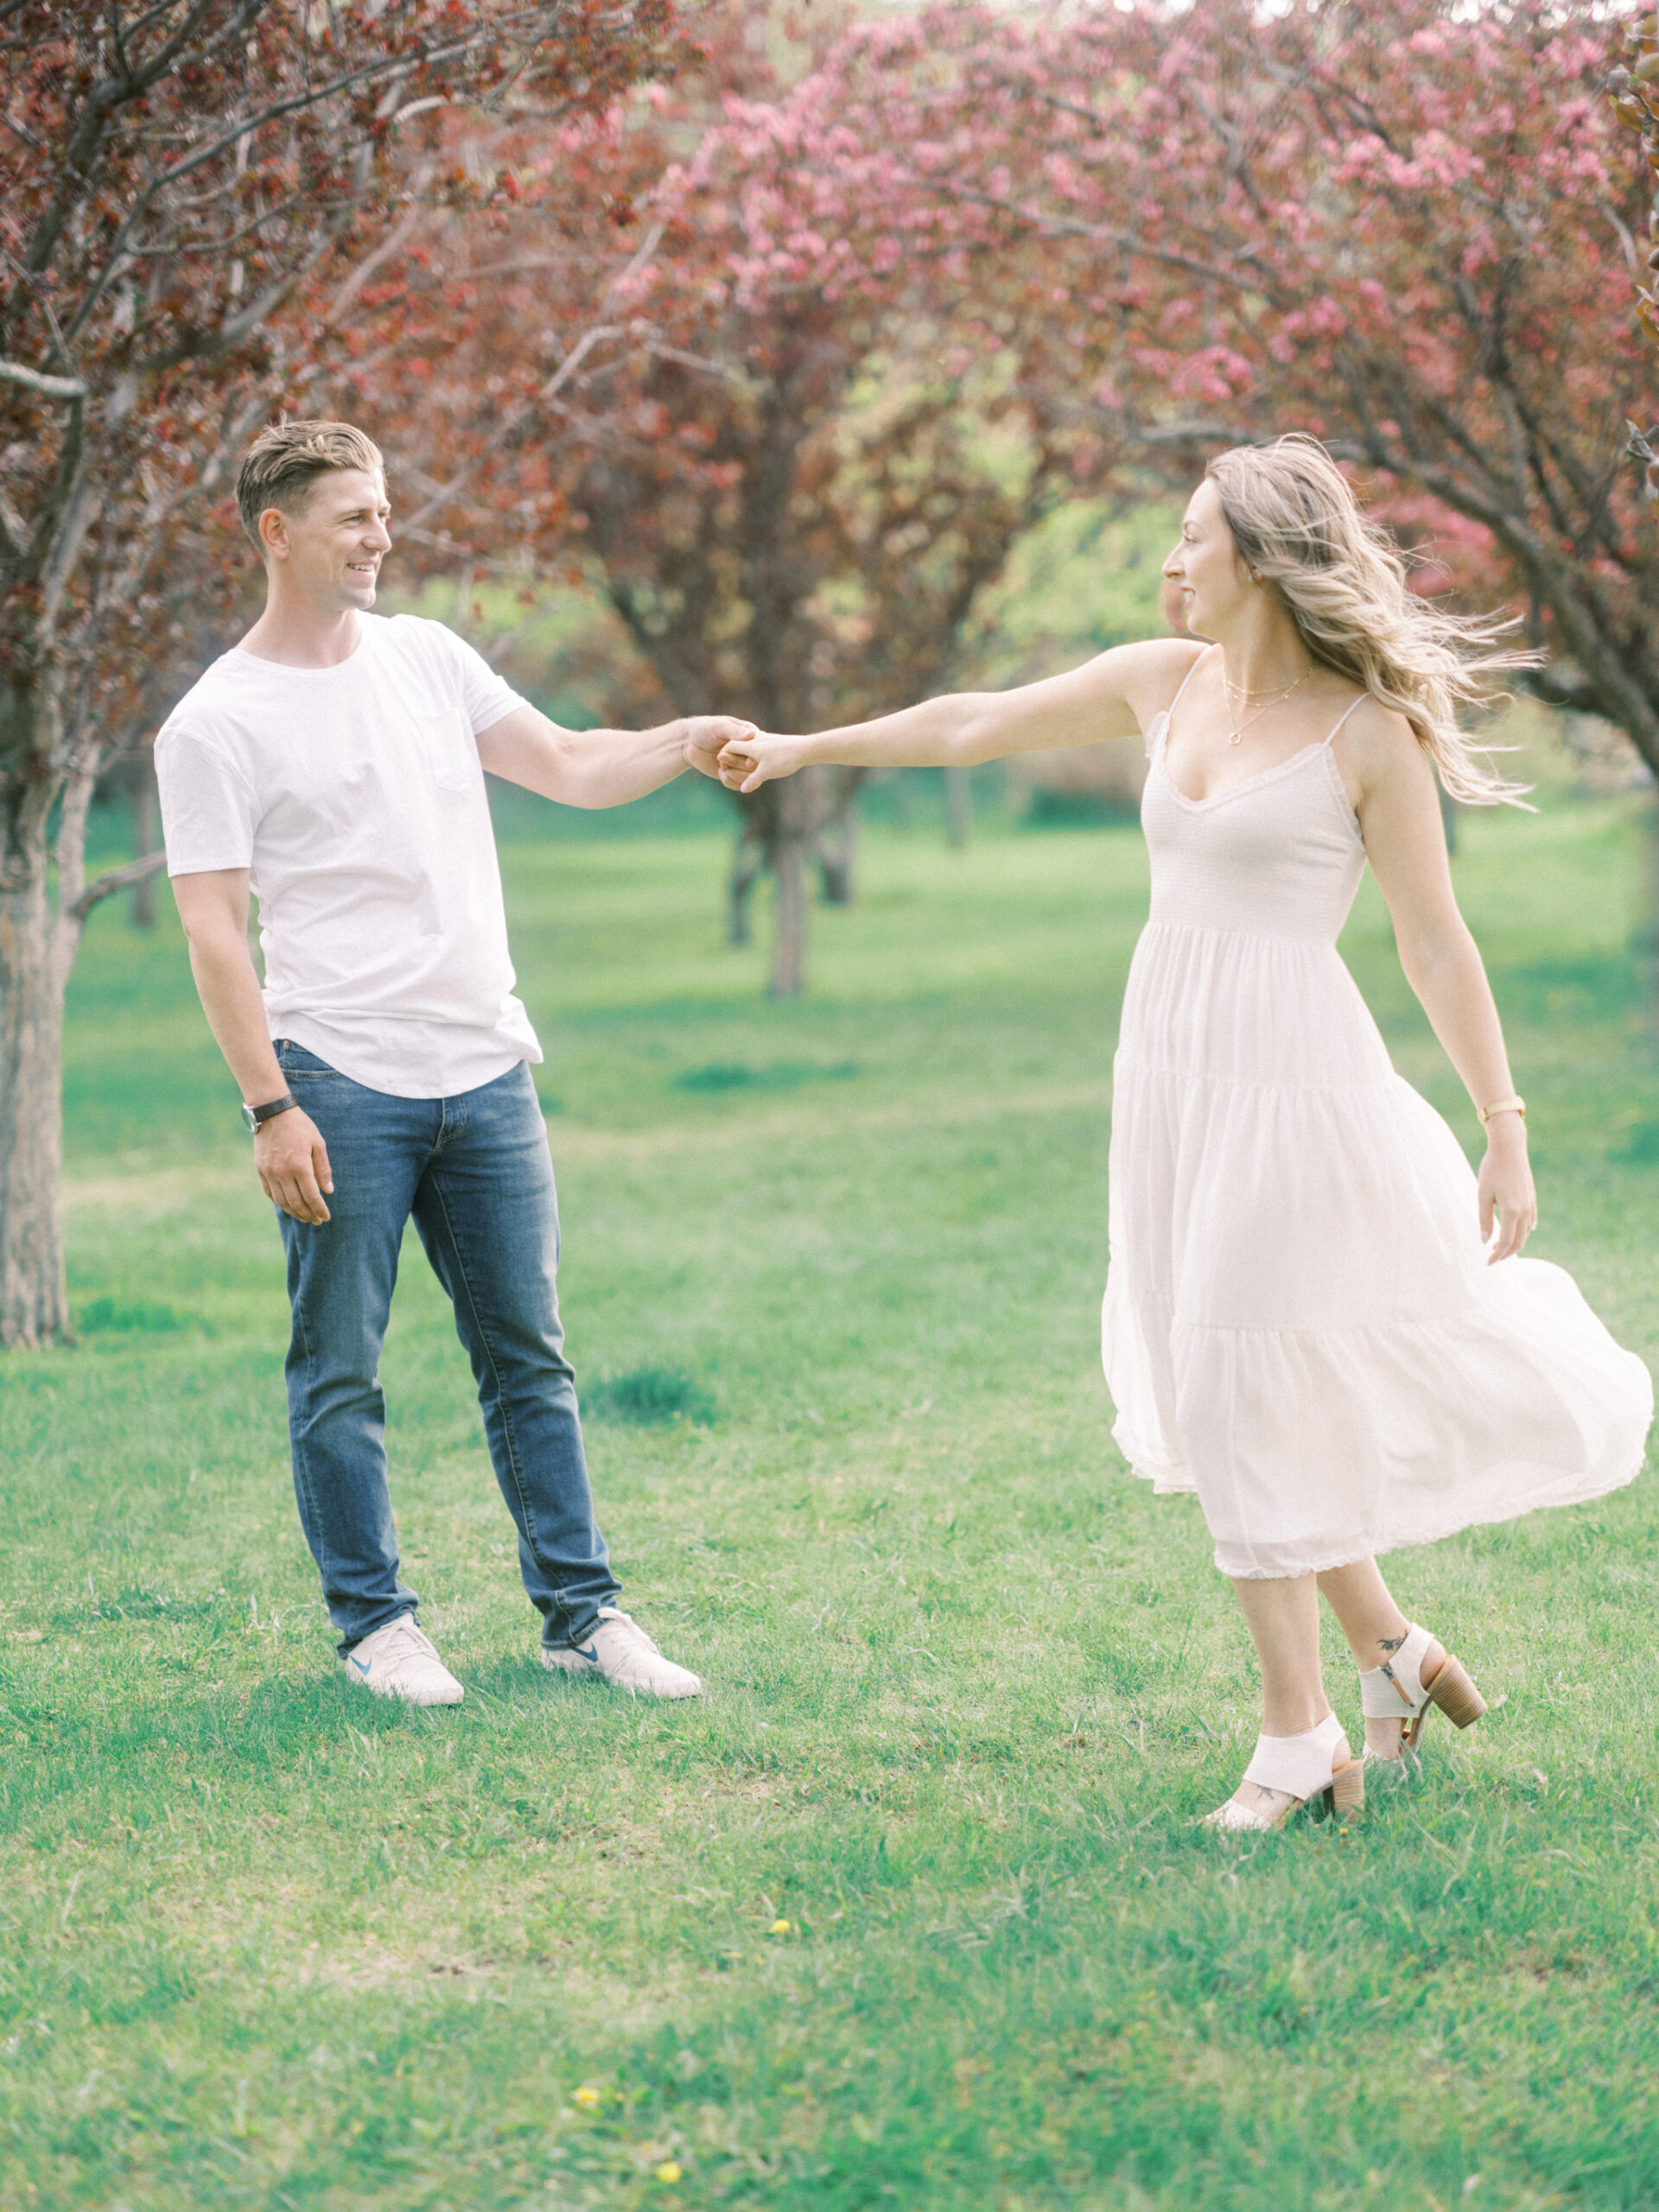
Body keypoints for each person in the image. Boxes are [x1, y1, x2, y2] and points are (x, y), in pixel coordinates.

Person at [716, 435, 1653, 1831]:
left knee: (1234, 1378)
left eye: (1191, 536)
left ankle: (1300, 1737)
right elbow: (973, 723)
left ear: (1261, 560)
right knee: (1225, 1372)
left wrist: (1503, 1125)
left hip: (1294, 1087)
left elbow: (1434, 945)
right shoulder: (1163, 684)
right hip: (1170, 1074)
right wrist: (807, 747)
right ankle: (1393, 1655)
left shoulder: (1363, 734)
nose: (1169, 561)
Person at [156, 420, 751, 1708]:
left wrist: (685, 737)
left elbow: (573, 765)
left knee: (529, 1354)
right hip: (339, 1081)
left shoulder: (428, 656)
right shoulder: (215, 722)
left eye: (384, 512)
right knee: (340, 1368)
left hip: (484, 1066)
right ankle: (377, 1626)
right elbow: (211, 924)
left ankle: (582, 1614)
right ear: (277, 532)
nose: (382, 537)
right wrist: (271, 1104)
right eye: (355, 517)